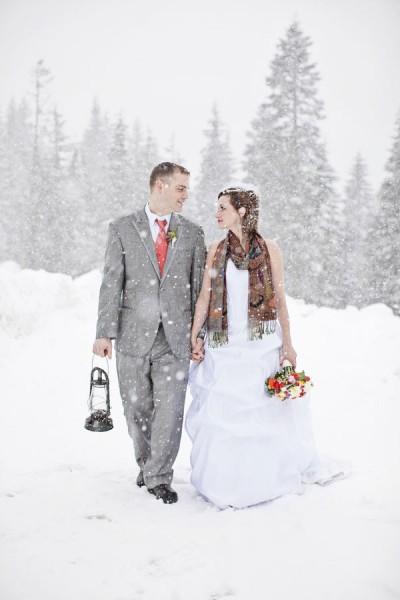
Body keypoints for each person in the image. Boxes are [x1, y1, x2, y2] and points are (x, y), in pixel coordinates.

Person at [186, 188, 344, 509]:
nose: (217, 213)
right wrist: (194, 335)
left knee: (263, 413)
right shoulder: (216, 250)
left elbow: (280, 300)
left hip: (261, 343)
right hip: (224, 345)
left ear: (242, 211)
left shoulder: (270, 250)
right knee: (222, 414)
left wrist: (288, 345)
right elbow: (204, 297)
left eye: (223, 208)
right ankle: (223, 481)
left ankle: (263, 479)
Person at [93, 162, 206, 504]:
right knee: (136, 411)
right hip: (132, 336)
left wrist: (198, 334)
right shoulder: (122, 228)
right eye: (181, 188)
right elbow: (112, 283)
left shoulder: (192, 233)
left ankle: (159, 476)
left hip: (175, 338)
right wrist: (104, 333)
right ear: (160, 185)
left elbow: (199, 290)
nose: (186, 195)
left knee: (170, 412)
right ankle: (147, 465)